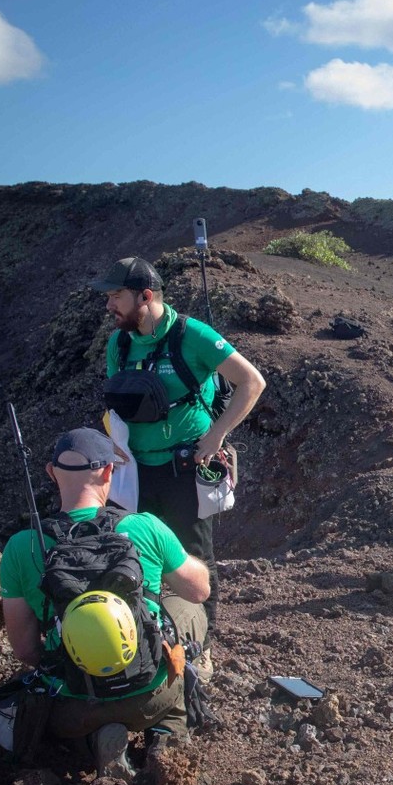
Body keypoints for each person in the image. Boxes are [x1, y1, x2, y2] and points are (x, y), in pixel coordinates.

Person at [0, 428, 211, 777]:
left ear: (51, 474)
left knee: (63, 718)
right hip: (149, 694)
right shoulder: (144, 526)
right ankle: (165, 737)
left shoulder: (21, 547)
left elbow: (24, 650)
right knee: (188, 609)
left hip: (74, 705)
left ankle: (93, 741)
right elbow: (199, 590)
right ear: (109, 472)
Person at [97, 256, 265, 631]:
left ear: (145, 296)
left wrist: (216, 435)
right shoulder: (119, 344)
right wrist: (114, 444)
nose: (109, 305)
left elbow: (252, 382)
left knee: (194, 559)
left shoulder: (193, 336)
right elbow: (116, 401)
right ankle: (152, 635)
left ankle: (201, 644)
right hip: (136, 472)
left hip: (185, 468)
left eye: (115, 296)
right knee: (136, 554)